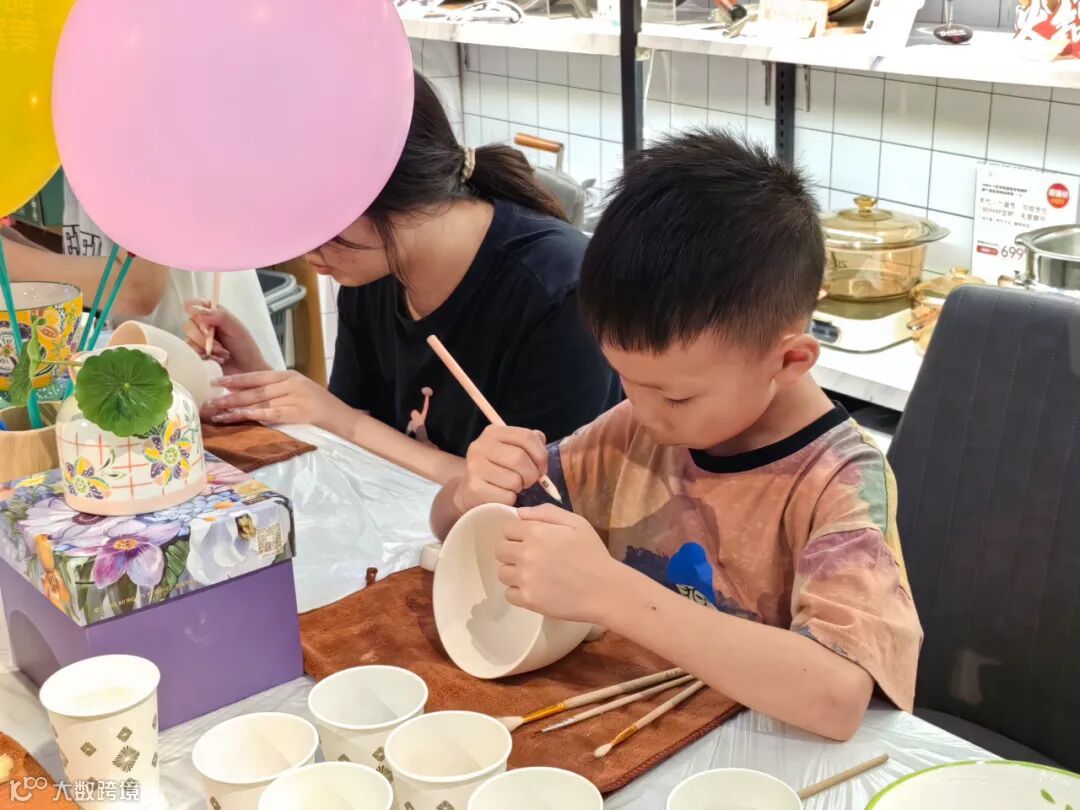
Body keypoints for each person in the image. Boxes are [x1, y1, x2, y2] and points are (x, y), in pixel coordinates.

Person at [430, 131, 923, 741]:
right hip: (637, 740)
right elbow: (453, 528)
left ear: (790, 361)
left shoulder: (839, 481)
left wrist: (612, 593)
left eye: (676, 396)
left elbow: (838, 697)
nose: (644, 411)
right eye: (625, 378)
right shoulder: (634, 431)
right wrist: (471, 491)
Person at [190, 72, 620, 484]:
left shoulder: (557, 293)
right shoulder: (374, 270)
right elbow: (364, 440)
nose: (305, 249)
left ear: (386, 188)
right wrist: (264, 383)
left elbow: (539, 492)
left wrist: (339, 419)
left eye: (316, 222)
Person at [4, 177, 283, 368]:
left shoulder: (135, 142)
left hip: (213, 363)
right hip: (154, 362)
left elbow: (137, 289)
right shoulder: (78, 150)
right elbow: (94, 274)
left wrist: (9, 257)